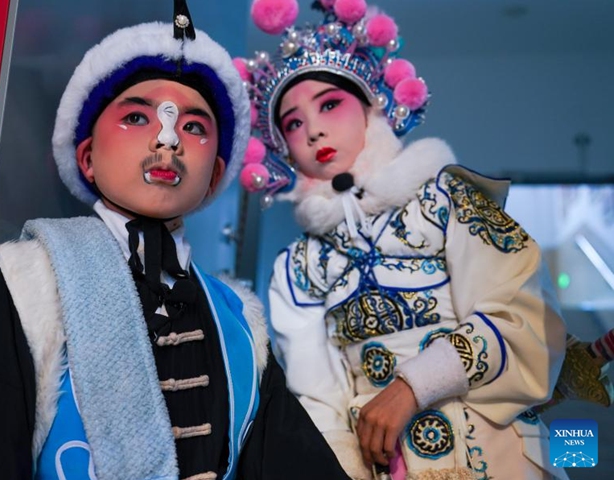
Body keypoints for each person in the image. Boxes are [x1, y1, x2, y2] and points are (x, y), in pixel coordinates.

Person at [0, 3, 349, 480]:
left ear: (215, 176)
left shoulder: (238, 323)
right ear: (88, 158)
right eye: (137, 119)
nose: (167, 140)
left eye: (194, 127)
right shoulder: (31, 283)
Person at [238, 0, 568, 479]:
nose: (313, 130)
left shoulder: (450, 200)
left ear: (372, 107)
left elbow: (523, 318)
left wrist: (412, 386)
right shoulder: (298, 267)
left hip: (496, 454)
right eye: (293, 122)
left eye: (330, 104)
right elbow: (319, 401)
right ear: (282, 147)